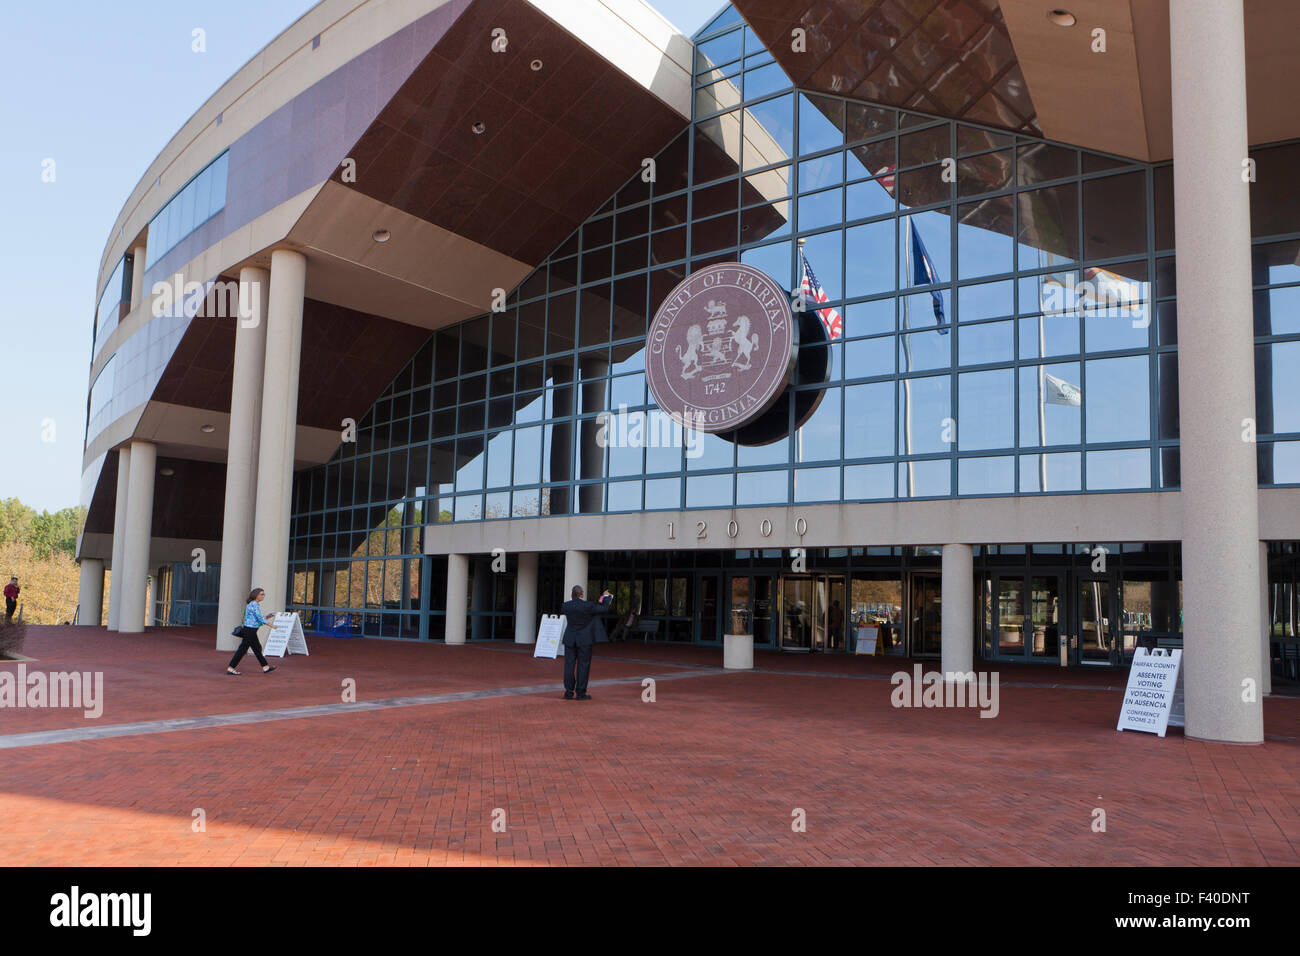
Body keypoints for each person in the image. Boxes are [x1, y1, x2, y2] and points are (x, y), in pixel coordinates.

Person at [559, 585, 613, 700]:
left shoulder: (566, 606)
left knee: (569, 665)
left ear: (571, 594)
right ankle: (580, 693)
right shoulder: (588, 606)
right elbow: (604, 608)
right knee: (583, 666)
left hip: (570, 639)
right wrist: (606, 597)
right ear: (582, 594)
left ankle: (568, 692)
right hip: (584, 640)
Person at [227, 587, 278, 675]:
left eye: (263, 594)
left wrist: (267, 617)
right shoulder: (254, 604)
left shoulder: (254, 604)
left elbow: (257, 618)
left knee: (257, 648)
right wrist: (271, 625)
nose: (263, 596)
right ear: (256, 595)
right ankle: (231, 668)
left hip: (251, 630)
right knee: (242, 649)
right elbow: (259, 618)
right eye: (261, 594)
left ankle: (265, 667)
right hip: (250, 630)